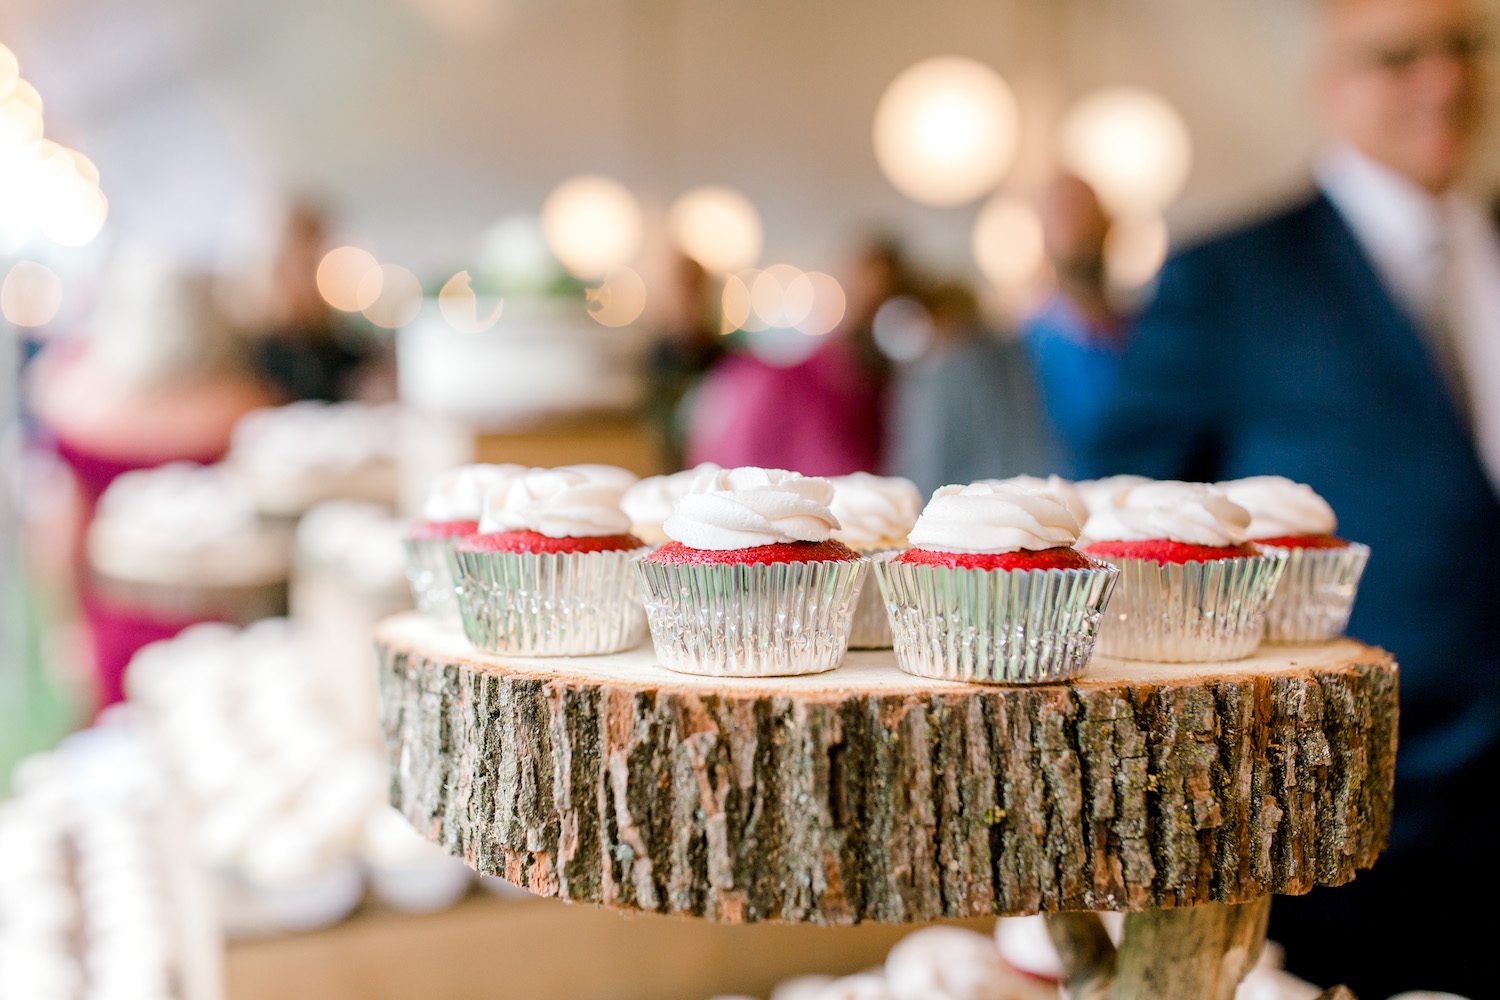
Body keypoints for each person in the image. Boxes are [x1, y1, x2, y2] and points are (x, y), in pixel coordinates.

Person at [1075, 0, 1498, 995]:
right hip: (1362, 817)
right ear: (1328, 81)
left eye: (1465, 47)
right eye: (1399, 57)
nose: (1444, 81)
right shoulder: (1230, 279)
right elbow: (1122, 522)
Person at [886, 282, 1058, 497]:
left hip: (953, 506)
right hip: (1017, 492)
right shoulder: (1009, 355)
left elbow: (925, 456)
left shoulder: (936, 370)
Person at [1022, 174, 1126, 473]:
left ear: (1107, 226)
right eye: (1062, 214)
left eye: (1083, 212)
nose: (1077, 227)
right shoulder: (1019, 346)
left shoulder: (1147, 335)